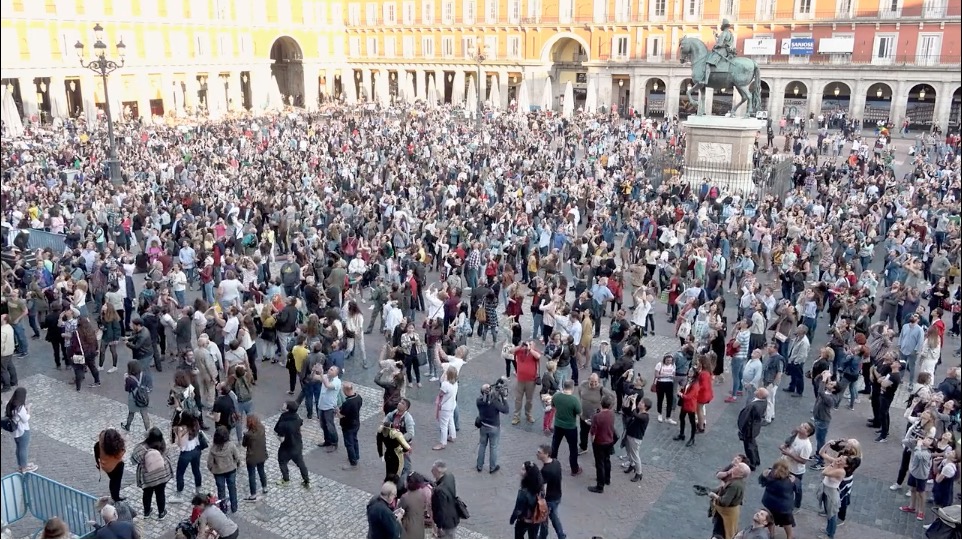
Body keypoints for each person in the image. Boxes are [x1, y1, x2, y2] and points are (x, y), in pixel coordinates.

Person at [130, 427, 173, 520]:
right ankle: (161, 513)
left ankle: (147, 512)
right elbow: (168, 453)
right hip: (162, 473)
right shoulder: (163, 445)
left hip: (148, 476)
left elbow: (133, 460)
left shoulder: (141, 448)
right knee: (160, 493)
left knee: (147, 493)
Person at [274, 400, 311, 489]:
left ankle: (286, 479)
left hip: (286, 447)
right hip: (297, 445)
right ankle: (306, 481)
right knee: (301, 464)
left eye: (285, 405)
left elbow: (281, 438)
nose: (283, 405)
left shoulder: (283, 421)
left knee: (282, 461)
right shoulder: (297, 418)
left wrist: (277, 436)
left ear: (287, 409)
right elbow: (300, 425)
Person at [549, 379, 582, 476]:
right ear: (572, 388)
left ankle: (552, 466)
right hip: (570, 427)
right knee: (573, 448)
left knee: (555, 446)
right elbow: (579, 413)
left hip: (558, 425)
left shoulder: (556, 396)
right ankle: (574, 469)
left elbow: (552, 406)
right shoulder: (574, 400)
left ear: (563, 386)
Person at [758, 459, 796, 539]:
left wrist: (763, 475)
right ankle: (789, 537)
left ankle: (772, 535)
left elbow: (761, 482)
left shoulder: (768, 475)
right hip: (784, 507)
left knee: (770, 520)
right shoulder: (791, 480)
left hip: (769, 503)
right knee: (787, 523)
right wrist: (797, 504)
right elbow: (798, 491)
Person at [780, 422, 814, 511]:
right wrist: (784, 446)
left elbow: (803, 461)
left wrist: (789, 454)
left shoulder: (807, 446)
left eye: (805, 427)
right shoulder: (795, 434)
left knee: (796, 488)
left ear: (807, 433)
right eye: (803, 424)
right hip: (785, 465)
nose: (801, 426)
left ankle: (797, 505)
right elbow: (788, 442)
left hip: (795, 471)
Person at [710, 461, 749, 539]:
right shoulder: (737, 480)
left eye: (738, 466)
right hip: (728, 513)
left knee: (719, 533)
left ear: (740, 473)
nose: (735, 466)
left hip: (725, 514)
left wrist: (714, 495)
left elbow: (724, 502)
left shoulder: (735, 485)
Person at [476, 381, 509, 473]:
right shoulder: (494, 402)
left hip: (483, 426)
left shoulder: (479, 401)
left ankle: (479, 465)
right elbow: (506, 410)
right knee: (493, 447)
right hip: (494, 427)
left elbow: (486, 400)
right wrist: (504, 397)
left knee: (482, 445)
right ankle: (492, 467)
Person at [207, 426, 240, 514]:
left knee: (221, 490)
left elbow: (209, 463)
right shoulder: (231, 446)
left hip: (218, 472)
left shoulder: (213, 449)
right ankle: (234, 506)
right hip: (231, 470)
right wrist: (237, 464)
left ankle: (223, 508)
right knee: (232, 488)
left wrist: (212, 469)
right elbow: (237, 457)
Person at [535, 444, 566, 539]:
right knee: (554, 516)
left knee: (544, 519)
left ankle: (543, 536)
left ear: (547, 454)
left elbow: (541, 486)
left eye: (539, 453)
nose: (537, 454)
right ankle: (561, 535)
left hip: (549, 499)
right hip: (557, 496)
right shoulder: (556, 463)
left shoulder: (545, 470)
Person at [587, 395, 617, 494]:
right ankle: (607, 479)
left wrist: (592, 441)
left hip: (599, 442)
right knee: (607, 460)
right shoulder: (612, 414)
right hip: (609, 440)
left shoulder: (597, 416)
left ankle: (600, 486)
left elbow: (593, 432)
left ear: (601, 403)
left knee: (599, 464)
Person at [510, 461, 546, 539]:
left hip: (524, 520)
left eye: (523, 469)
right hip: (536, 519)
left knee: (519, 535)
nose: (520, 471)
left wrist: (512, 519)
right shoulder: (540, 486)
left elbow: (518, 509)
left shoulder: (523, 492)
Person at [5, 387, 37, 473]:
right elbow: (25, 419)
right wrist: (28, 409)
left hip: (15, 431)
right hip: (23, 430)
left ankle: (21, 464)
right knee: (23, 449)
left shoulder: (10, 404)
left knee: (19, 448)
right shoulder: (20, 408)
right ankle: (24, 467)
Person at [737, 388, 768, 471]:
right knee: (753, 444)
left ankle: (752, 463)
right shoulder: (763, 402)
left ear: (760, 395)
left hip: (749, 429)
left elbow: (746, 418)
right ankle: (756, 459)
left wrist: (741, 429)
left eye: (758, 390)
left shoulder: (753, 406)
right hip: (755, 427)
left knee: (748, 446)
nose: (756, 390)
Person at [623, 396, 651, 482]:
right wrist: (628, 400)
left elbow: (634, 414)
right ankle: (631, 465)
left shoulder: (645, 416)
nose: (639, 403)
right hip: (629, 435)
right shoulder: (639, 412)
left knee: (635, 455)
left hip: (636, 438)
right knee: (629, 452)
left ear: (645, 406)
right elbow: (627, 411)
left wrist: (634, 402)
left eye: (641, 403)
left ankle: (639, 473)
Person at [94, 428, 127, 502]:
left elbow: (97, 455)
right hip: (116, 466)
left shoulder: (100, 442)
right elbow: (121, 455)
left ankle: (114, 495)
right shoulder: (116, 448)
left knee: (112, 480)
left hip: (105, 466)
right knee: (116, 481)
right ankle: (115, 497)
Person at [430, 460, 461, 539]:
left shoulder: (439, 490)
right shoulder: (450, 476)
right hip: (453, 516)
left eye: (433, 469)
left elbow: (441, 510)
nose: (431, 471)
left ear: (438, 471)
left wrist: (439, 527)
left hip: (446, 523)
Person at [242, 414, 269, 501]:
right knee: (261, 471)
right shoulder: (262, 429)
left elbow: (244, 444)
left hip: (252, 458)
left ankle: (253, 494)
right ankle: (264, 487)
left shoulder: (248, 434)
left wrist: (244, 434)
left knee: (252, 475)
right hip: (261, 455)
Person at [399, 473, 432, 539]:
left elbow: (399, 511)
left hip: (409, 529)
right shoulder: (424, 494)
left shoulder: (405, 497)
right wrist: (429, 534)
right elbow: (428, 515)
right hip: (421, 528)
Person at [434, 366, 459, 451]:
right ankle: (452, 435)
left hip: (445, 407)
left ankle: (442, 443)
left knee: (443, 425)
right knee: (450, 420)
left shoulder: (445, 384)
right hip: (452, 404)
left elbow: (441, 393)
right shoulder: (455, 383)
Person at [121, 361, 151, 432]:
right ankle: (148, 430)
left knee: (131, 413)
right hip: (143, 396)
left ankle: (127, 426)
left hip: (133, 397)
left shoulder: (129, 378)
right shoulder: (143, 375)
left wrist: (125, 380)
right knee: (145, 415)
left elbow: (127, 389)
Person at [340, 382, 364, 469]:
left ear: (346, 390)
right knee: (354, 440)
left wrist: (337, 411)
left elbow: (342, 414)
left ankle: (353, 461)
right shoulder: (358, 397)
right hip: (356, 423)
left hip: (348, 425)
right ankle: (356, 455)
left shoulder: (347, 402)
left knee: (349, 443)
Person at [0, 314, 18, 392]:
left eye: (1, 317)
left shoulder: (2, 331)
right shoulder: (9, 327)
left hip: (3, 353)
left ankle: (6, 386)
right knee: (10, 366)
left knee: (3, 370)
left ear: (5, 320)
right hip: (10, 351)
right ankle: (14, 381)